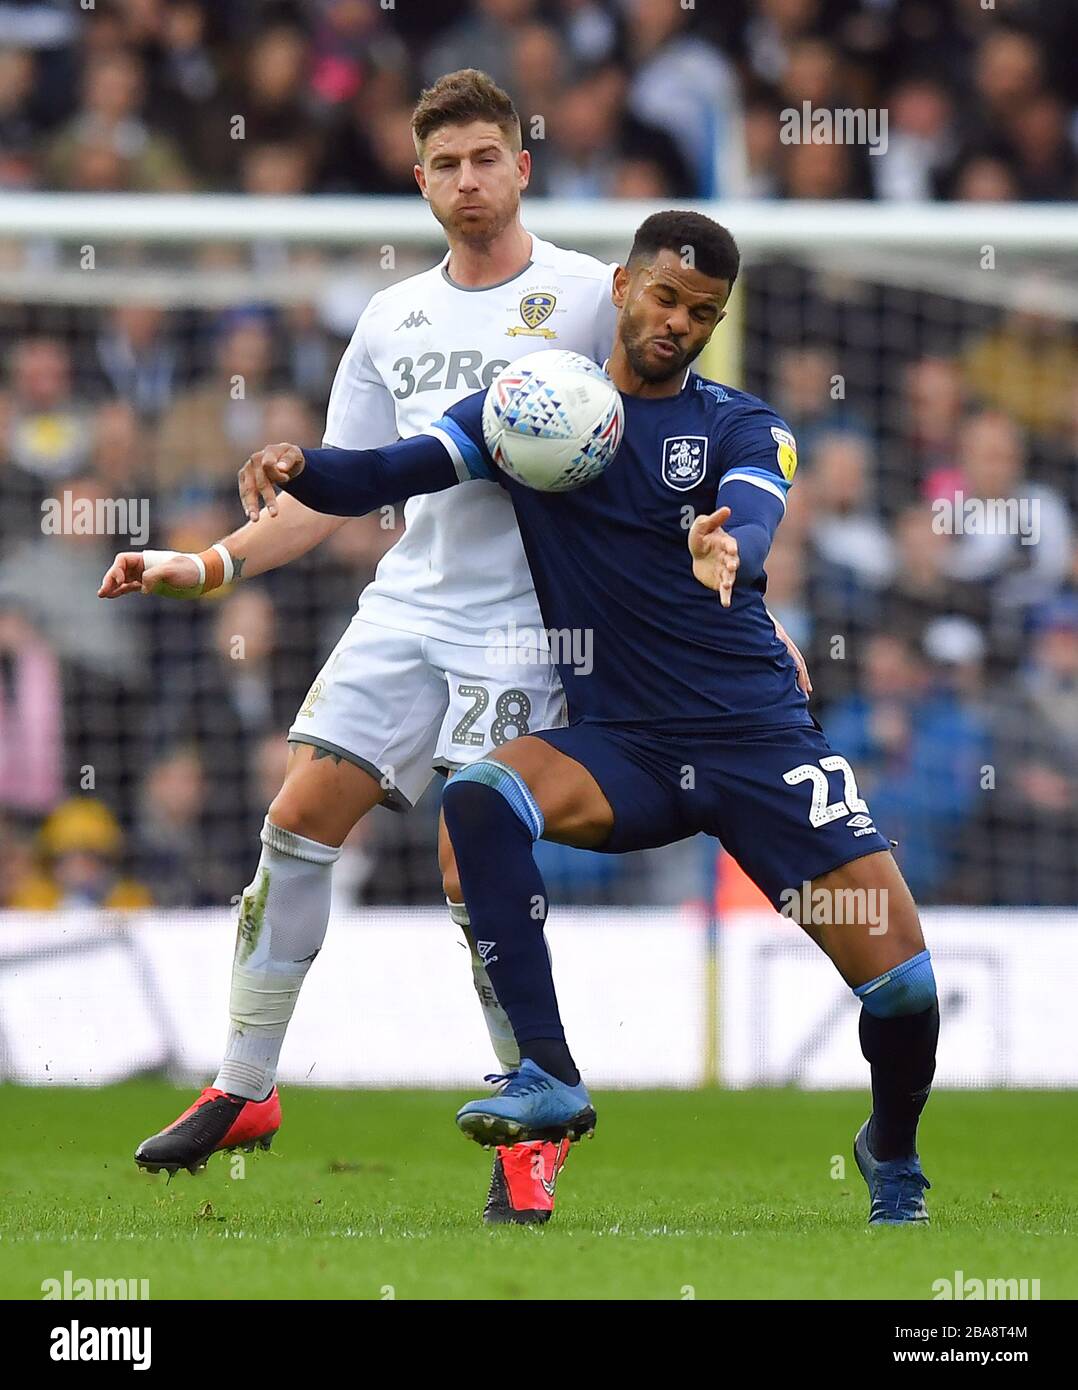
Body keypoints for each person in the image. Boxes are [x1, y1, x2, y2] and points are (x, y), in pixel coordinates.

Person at [252, 210, 940, 1227]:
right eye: (665, 299)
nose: (680, 323)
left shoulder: (742, 425)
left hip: (756, 738)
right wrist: (300, 466)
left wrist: (731, 549)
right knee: (482, 794)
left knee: (904, 996)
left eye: (703, 311)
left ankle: (890, 1150)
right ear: (621, 288)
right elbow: (388, 470)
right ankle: (548, 1075)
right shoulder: (535, 408)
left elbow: (754, 513)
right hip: (628, 745)